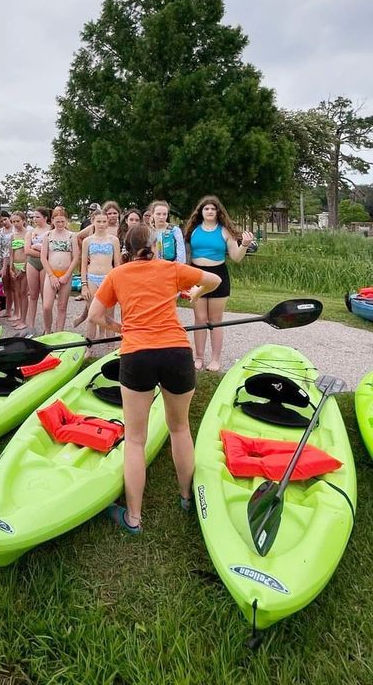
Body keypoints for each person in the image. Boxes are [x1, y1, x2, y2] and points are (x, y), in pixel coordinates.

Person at [88, 224, 221, 534]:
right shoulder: (172, 268)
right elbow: (213, 279)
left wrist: (119, 328)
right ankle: (186, 496)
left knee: (135, 440)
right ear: (154, 246)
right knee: (180, 428)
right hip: (176, 353)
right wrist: (196, 292)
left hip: (137, 355)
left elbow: (95, 315)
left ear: (126, 248)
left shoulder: (116, 275)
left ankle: (133, 517)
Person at [183, 195, 255, 372]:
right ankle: (198, 357)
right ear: (201, 211)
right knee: (199, 319)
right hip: (197, 276)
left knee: (215, 320)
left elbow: (236, 257)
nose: (209, 211)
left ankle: (215, 359)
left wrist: (244, 244)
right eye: (206, 208)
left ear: (218, 212)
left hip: (219, 277)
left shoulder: (225, 231)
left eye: (212, 209)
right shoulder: (193, 230)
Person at [78, 209, 120, 345]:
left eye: (104, 221)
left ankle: (110, 345)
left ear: (107, 222)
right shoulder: (87, 241)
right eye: (98, 221)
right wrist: (84, 285)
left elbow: (117, 264)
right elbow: (83, 263)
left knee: (109, 314)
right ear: (93, 222)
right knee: (92, 313)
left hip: (108, 278)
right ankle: (89, 346)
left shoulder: (114, 240)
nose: (101, 224)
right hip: (92, 278)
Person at [40, 206, 79, 334]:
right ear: (52, 221)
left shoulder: (71, 236)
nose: (60, 224)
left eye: (63, 221)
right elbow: (43, 257)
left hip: (66, 275)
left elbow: (76, 257)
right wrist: (51, 276)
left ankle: (59, 332)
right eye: (58, 221)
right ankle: (47, 330)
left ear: (66, 221)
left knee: (62, 306)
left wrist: (67, 275)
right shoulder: (48, 235)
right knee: (47, 306)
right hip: (51, 274)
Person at [24, 207, 51, 332]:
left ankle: (47, 327)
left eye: (37, 216)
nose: (35, 219)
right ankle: (30, 325)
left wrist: (39, 249)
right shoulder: (30, 232)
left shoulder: (51, 231)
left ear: (45, 218)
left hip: (46, 265)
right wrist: (42, 252)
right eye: (33, 217)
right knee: (33, 295)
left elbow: (51, 251)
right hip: (32, 263)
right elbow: (27, 250)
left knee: (45, 296)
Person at [7, 211, 28, 326]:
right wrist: (11, 268)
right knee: (17, 292)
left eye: (18, 221)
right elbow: (11, 253)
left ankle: (24, 319)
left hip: (25, 267)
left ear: (23, 221)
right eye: (13, 221)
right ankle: (18, 314)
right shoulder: (12, 236)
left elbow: (28, 253)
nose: (15, 223)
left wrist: (24, 268)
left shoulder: (28, 234)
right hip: (15, 266)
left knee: (24, 292)